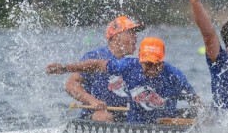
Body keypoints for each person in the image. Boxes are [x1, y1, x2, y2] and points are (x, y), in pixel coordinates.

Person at [47, 37, 202, 125]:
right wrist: (66, 68)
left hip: (163, 126)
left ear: (162, 62)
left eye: (155, 65)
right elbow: (97, 64)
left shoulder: (175, 76)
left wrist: (206, 120)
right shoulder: (129, 66)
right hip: (135, 127)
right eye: (146, 64)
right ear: (140, 59)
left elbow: (195, 101)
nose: (150, 69)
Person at [65, 15, 144, 122]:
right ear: (116, 36)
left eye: (135, 33)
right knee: (104, 117)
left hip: (125, 115)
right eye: (130, 33)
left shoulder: (130, 64)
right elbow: (70, 84)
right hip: (97, 115)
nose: (135, 37)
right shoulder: (95, 57)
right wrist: (92, 101)